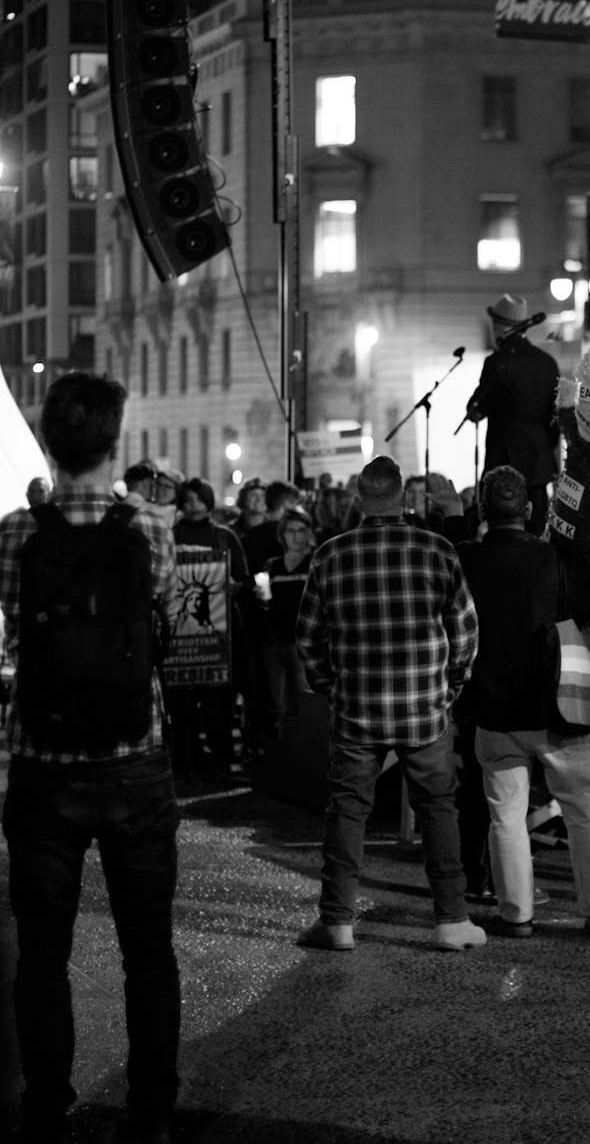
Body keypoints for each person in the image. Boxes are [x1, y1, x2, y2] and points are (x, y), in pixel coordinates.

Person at [0, 372, 181, 1144]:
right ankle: (151, 1112)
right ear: (114, 443)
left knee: (42, 954)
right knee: (149, 951)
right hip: (135, 762)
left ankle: (48, 1103)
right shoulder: (150, 528)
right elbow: (162, 605)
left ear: (50, 440)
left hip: (43, 768)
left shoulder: (15, 532)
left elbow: (14, 616)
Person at [294, 454, 485, 953]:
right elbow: (465, 631)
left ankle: (336, 922)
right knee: (438, 809)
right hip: (424, 707)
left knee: (347, 812)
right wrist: (450, 690)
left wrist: (331, 689)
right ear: (405, 497)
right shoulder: (437, 549)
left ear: (359, 501)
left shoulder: (329, 555)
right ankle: (451, 920)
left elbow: (308, 640)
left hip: (356, 708)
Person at [456, 465, 590, 939]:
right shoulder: (554, 560)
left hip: (492, 711)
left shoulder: (464, 559)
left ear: (482, 512)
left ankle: (516, 915)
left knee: (505, 815)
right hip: (556, 707)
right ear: (530, 511)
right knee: (582, 808)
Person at [168, 478, 251, 779]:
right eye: (187, 500)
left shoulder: (224, 536)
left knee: (218, 707)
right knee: (181, 707)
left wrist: (234, 586)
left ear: (209, 502)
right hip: (178, 644)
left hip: (218, 640)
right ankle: (187, 761)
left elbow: (245, 579)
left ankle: (219, 762)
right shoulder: (170, 536)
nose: (193, 506)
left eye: (199, 500)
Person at [465, 295, 559, 536]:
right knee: (537, 534)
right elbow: (554, 419)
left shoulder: (497, 363)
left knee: (502, 535)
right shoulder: (547, 363)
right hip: (538, 466)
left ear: (499, 327)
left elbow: (477, 408)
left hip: (503, 467)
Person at [254, 504, 315, 728]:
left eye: (301, 530)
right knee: (279, 703)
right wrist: (261, 598)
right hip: (275, 641)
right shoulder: (273, 566)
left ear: (309, 532)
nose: (296, 536)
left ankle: (306, 751)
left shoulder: (314, 563)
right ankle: (285, 754)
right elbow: (266, 606)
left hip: (303, 644)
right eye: (291, 531)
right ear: (282, 534)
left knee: (305, 699)